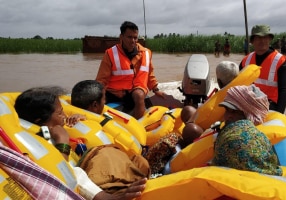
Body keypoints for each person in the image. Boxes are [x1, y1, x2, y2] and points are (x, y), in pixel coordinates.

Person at [14, 86, 147, 200]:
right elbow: (64, 173)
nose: (64, 116)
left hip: (99, 164)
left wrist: (81, 120)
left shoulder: (55, 127)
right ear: (39, 120)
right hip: (96, 180)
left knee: (140, 162)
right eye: (60, 113)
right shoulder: (36, 142)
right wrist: (62, 142)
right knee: (107, 154)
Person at [95, 21, 166, 119]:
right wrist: (98, 98)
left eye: (135, 37)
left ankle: (139, 125)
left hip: (136, 91)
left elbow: (150, 74)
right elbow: (101, 80)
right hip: (114, 93)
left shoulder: (146, 53)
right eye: (129, 37)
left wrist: (156, 90)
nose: (133, 40)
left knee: (139, 94)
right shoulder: (110, 53)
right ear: (121, 37)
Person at [211, 85, 282, 176]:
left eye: (234, 112)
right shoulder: (263, 139)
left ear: (249, 114)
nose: (227, 116)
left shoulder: (231, 140)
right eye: (227, 110)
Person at [179, 61, 240, 145]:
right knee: (187, 110)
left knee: (189, 130)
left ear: (219, 82)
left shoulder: (230, 97)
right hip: (213, 122)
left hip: (219, 130)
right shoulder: (239, 88)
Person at [239, 24, 286, 114]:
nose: (262, 41)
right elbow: (238, 86)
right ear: (252, 41)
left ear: (270, 39)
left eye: (265, 37)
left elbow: (283, 91)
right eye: (258, 38)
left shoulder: (281, 61)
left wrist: (278, 115)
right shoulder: (245, 61)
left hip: (270, 107)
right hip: (248, 105)